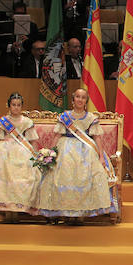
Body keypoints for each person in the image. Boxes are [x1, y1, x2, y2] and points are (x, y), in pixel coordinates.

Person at [34, 88, 117, 222]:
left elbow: (97, 138)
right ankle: (65, 213)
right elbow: (57, 136)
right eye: (77, 97)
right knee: (62, 173)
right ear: (73, 101)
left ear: (86, 101)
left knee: (87, 175)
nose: (80, 99)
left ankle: (80, 214)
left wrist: (101, 157)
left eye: (83, 97)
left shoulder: (91, 118)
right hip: (65, 147)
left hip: (86, 151)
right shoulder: (65, 117)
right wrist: (52, 153)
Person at [0, 93, 40, 221]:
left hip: (23, 150)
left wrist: (36, 155)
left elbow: (32, 141)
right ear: (8, 105)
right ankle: (7, 210)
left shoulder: (27, 121)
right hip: (5, 150)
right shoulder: (3, 121)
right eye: (13, 105)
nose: (16, 108)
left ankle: (19, 208)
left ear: (22, 106)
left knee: (26, 174)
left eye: (18, 105)